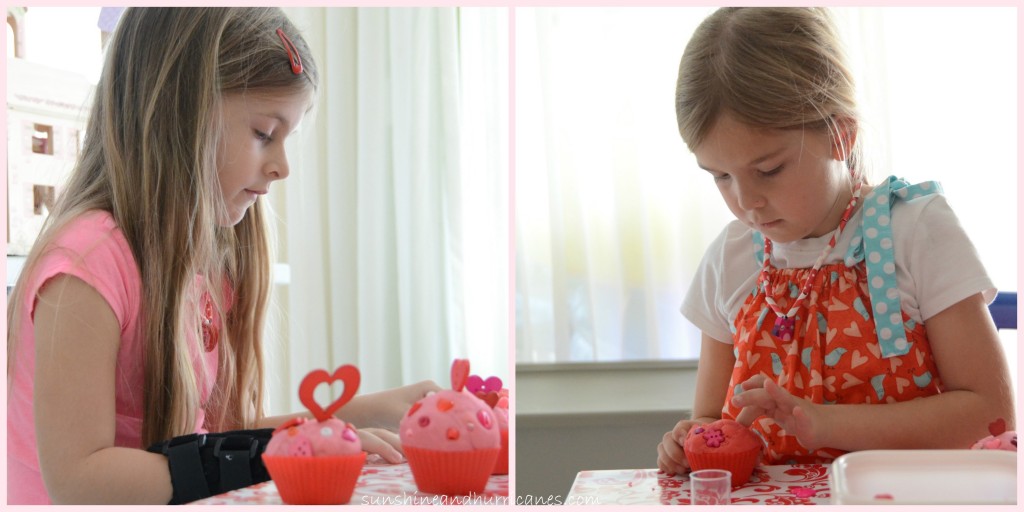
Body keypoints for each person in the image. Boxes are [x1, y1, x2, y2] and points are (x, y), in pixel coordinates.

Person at [6, 8, 438, 504]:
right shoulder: (86, 265)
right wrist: (277, 454)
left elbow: (212, 442)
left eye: (286, 139)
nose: (281, 167)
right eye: (262, 133)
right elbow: (80, 481)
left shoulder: (201, 265)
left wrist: (358, 414)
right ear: (177, 111)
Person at [656, 7, 1014, 476]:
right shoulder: (731, 258)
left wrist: (825, 424)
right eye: (720, 176)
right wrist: (692, 440)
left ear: (840, 136)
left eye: (768, 170)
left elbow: (990, 415)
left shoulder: (916, 231)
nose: (746, 203)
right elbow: (709, 417)